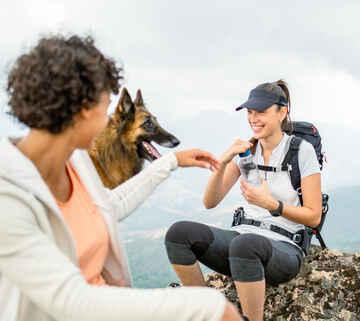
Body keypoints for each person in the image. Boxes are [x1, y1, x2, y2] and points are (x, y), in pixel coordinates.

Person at [0, 34, 242, 321]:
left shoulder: (75, 161)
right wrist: (207, 306)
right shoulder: (8, 197)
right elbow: (71, 301)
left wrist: (172, 162)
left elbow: (107, 207)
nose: (107, 122)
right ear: (83, 109)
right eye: (106, 109)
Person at [165, 80, 322, 321]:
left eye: (261, 112)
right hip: (242, 241)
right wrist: (224, 162)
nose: (253, 118)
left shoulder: (301, 151)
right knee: (178, 234)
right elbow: (210, 201)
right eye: (250, 112)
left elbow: (313, 215)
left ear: (282, 112)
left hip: (285, 247)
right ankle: (206, 310)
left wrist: (273, 205)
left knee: (245, 244)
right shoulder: (248, 150)